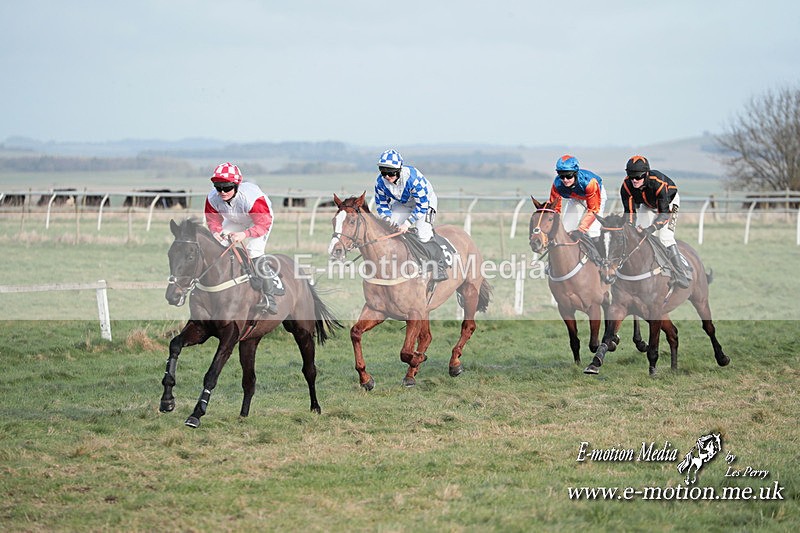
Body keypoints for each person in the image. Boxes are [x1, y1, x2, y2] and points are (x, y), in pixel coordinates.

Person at [204, 162, 284, 313]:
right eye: (218, 187)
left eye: (226, 187)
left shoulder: (252, 199)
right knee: (218, 242)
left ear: (236, 185)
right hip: (236, 219)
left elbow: (263, 224)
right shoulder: (212, 198)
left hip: (260, 220)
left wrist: (244, 234)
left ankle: (269, 297)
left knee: (254, 251)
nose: (222, 192)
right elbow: (213, 220)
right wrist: (216, 231)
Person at [373, 149, 447, 281]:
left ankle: (438, 266)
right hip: (404, 203)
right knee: (390, 231)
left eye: (390, 173)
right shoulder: (380, 183)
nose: (387, 177)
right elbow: (382, 205)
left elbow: (422, 206)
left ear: (399, 170)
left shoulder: (413, 179)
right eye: (383, 172)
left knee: (423, 234)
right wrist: (388, 219)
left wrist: (407, 223)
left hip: (425, 203)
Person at [621, 155, 690, 289]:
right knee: (637, 234)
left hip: (669, 204)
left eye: (638, 177)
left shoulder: (657, 183)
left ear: (646, 174)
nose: (634, 180)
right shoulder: (626, 186)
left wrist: (651, 229)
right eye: (631, 176)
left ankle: (681, 274)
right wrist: (629, 228)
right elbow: (629, 213)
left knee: (664, 237)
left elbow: (664, 215)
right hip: (647, 204)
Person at [547, 154, 607, 258]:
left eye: (569, 176)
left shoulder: (589, 182)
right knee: (565, 230)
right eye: (561, 176)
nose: (565, 179)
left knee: (592, 231)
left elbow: (593, 210)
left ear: (575, 173)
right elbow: (554, 209)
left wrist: (581, 230)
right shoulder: (557, 184)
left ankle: (603, 262)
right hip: (576, 199)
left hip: (595, 197)